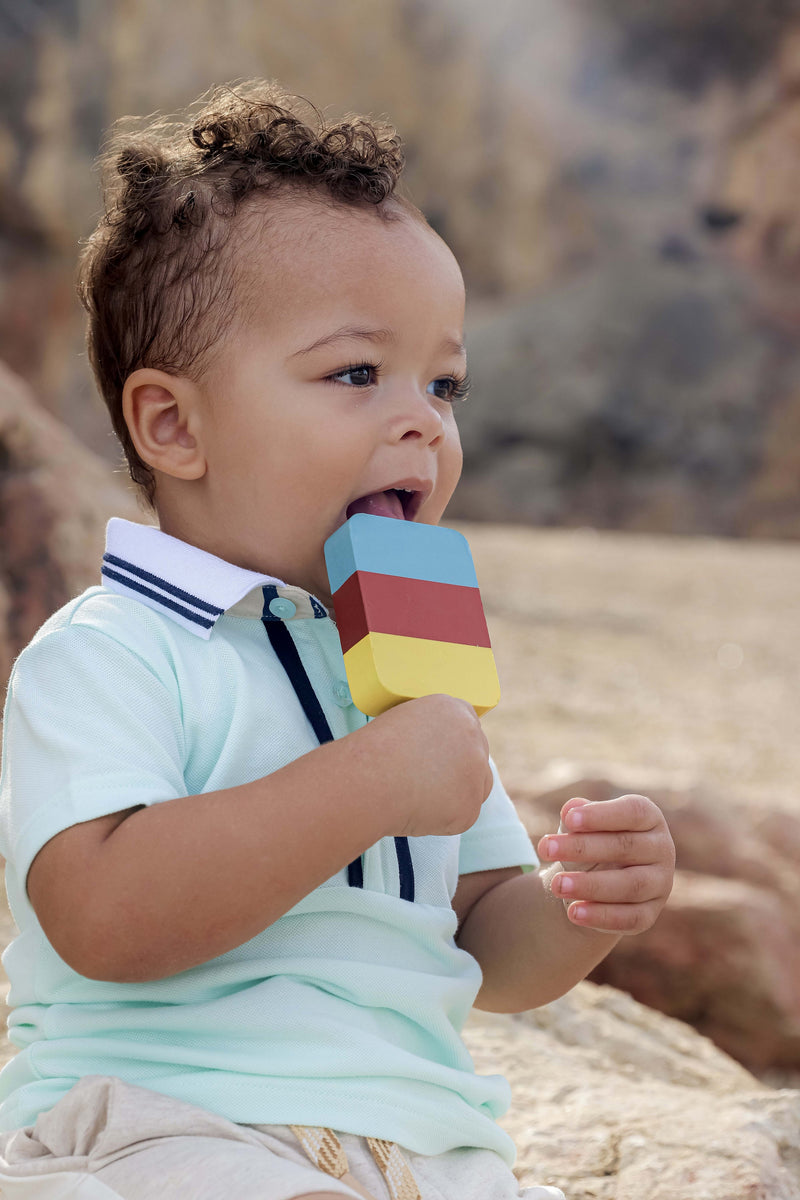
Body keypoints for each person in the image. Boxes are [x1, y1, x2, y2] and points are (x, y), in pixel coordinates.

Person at [0, 81, 675, 1200]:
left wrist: (579, 903)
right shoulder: (112, 650)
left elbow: (484, 948)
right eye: (355, 374)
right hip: (167, 1126)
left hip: (426, 1149)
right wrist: (366, 783)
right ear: (174, 426)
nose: (421, 418)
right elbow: (102, 919)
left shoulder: (408, 661)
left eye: (442, 384)